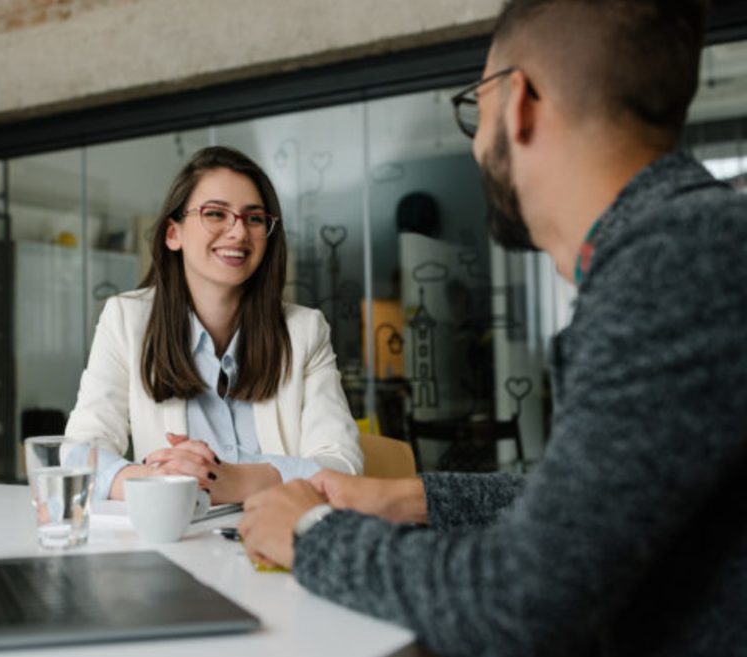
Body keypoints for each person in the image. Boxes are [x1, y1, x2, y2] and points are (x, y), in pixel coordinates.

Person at [238, 1, 747, 655]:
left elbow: (522, 599)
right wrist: (410, 496)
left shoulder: (675, 262)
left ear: (518, 102)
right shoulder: (686, 244)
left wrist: (310, 534)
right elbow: (584, 504)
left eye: (474, 108)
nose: (477, 143)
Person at [64, 146, 362, 503]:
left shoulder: (306, 331)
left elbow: (343, 465)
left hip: (281, 538)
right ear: (173, 234)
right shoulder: (126, 320)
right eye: (216, 214)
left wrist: (236, 478)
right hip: (177, 539)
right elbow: (80, 453)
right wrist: (161, 477)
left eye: (254, 218)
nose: (238, 232)